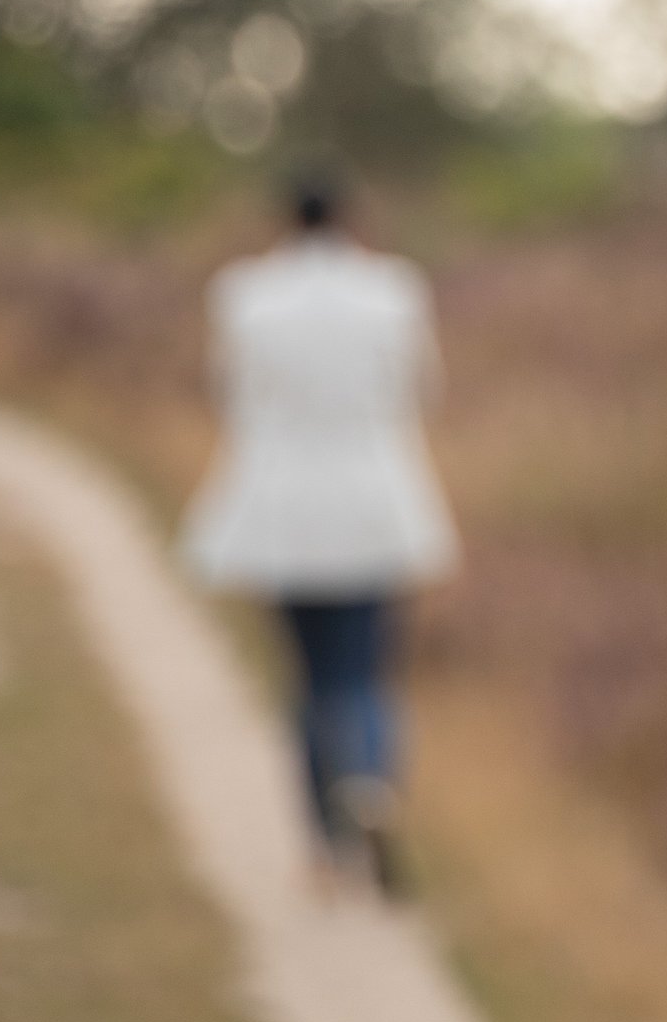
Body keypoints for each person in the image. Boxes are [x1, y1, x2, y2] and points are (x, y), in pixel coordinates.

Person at [180, 172, 459, 892]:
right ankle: (371, 779)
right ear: (350, 218)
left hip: (280, 509)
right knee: (364, 671)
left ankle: (324, 850)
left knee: (309, 681)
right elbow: (420, 392)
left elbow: (229, 394)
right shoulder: (394, 290)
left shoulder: (245, 293)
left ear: (284, 219)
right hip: (373, 505)